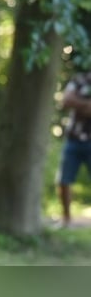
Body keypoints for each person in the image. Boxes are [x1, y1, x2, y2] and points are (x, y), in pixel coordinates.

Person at [57, 70, 91, 227]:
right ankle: (66, 219)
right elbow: (66, 100)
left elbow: (72, 101)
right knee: (64, 180)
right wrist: (87, 105)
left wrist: (79, 104)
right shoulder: (79, 79)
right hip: (74, 139)